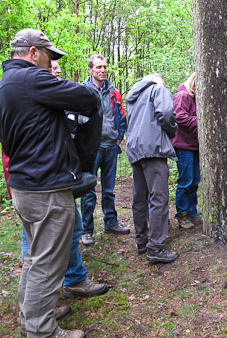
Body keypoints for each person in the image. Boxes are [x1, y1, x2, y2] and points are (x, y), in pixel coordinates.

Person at [0, 28, 100, 338]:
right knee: (48, 262)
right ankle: (41, 330)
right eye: (49, 57)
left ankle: (31, 314)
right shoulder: (31, 79)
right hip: (45, 188)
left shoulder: (6, 83)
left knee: (35, 257)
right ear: (32, 53)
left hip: (24, 185)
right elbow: (87, 96)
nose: (50, 64)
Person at [18, 58, 107, 300]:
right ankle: (41, 301)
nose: (57, 72)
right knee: (38, 241)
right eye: (52, 69)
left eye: (58, 69)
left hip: (60, 176)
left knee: (71, 227)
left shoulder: (49, 99)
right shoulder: (30, 97)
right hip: (40, 182)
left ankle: (74, 279)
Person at [125, 73, 179, 264]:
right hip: (153, 148)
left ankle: (141, 241)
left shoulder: (133, 97)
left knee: (140, 197)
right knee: (159, 197)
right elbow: (166, 114)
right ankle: (155, 247)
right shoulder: (158, 89)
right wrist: (172, 131)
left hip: (134, 149)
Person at [81, 54, 129, 246]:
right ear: (90, 70)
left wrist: (119, 136)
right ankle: (86, 230)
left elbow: (121, 115)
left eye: (104, 67)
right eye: (98, 67)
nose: (102, 70)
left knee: (108, 190)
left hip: (111, 146)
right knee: (88, 190)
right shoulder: (83, 91)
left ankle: (111, 223)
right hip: (91, 149)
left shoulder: (113, 91)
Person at [172, 73, 202, 229]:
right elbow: (180, 117)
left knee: (195, 180)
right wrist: (201, 120)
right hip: (184, 145)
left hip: (195, 144)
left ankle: (191, 211)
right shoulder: (183, 95)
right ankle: (182, 214)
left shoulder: (195, 96)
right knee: (186, 181)